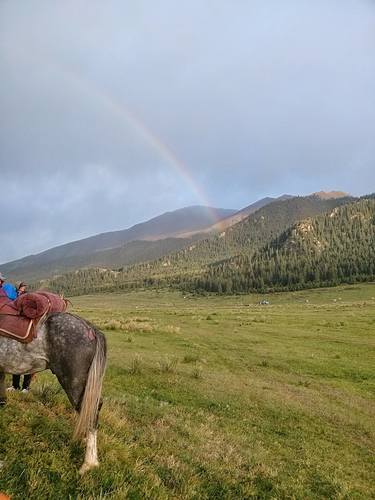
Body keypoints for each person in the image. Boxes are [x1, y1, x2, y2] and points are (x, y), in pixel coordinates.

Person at [7, 281, 33, 393]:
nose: (23, 288)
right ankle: (15, 385)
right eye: (22, 286)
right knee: (16, 359)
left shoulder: (26, 296)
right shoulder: (13, 294)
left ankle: (26, 387)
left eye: (25, 287)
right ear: (19, 287)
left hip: (24, 328)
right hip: (15, 327)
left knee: (28, 359)